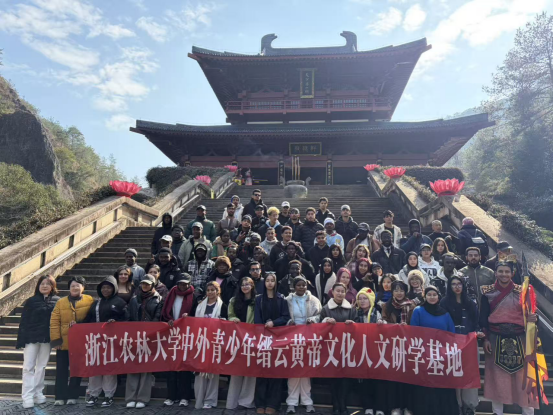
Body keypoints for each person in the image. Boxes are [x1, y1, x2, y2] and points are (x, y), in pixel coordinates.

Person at [480, 262, 539, 415]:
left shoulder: (523, 291)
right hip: (495, 338)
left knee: (523, 378)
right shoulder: (487, 292)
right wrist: (485, 339)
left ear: (512, 273)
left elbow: (530, 314)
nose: (504, 274)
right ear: (495, 273)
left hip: (520, 339)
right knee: (497, 378)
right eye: (501, 271)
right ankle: (497, 412)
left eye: (507, 271)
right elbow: (483, 318)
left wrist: (533, 318)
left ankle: (528, 411)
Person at [410, 286, 459, 415]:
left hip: (441, 356)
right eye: (429, 295)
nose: (432, 297)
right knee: (425, 386)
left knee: (441, 386)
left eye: (434, 295)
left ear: (438, 297)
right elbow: (413, 332)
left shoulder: (445, 313)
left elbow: (451, 333)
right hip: (423, 355)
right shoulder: (418, 311)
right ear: (425, 296)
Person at [83, 276, 128, 408]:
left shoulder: (120, 302)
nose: (105, 290)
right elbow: (88, 319)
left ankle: (109, 395)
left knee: (110, 368)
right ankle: (94, 394)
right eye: (103, 287)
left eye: (108, 287)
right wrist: (76, 326)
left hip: (112, 342)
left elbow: (127, 320)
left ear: (114, 288)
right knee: (95, 368)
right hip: (96, 341)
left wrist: (116, 323)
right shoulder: (96, 303)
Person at [441, 275, 483, 415]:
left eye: (459, 284)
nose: (457, 287)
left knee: (470, 374)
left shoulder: (470, 302)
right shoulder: (444, 302)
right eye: (453, 284)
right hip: (451, 344)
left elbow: (476, 321)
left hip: (469, 343)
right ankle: (456, 405)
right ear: (449, 286)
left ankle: (469, 406)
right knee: (454, 374)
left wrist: (478, 332)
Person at [17, 275, 60, 409]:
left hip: (47, 338)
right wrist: (21, 339)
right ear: (38, 286)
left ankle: (38, 393)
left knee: (41, 366)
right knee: (28, 367)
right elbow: (24, 321)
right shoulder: (31, 301)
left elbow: (59, 321)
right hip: (31, 337)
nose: (44, 286)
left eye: (48, 283)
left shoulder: (58, 301)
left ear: (52, 286)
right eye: (42, 283)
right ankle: (27, 396)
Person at [50, 276, 94, 406]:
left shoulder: (89, 300)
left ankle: (73, 395)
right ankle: (59, 396)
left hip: (81, 343)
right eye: (72, 286)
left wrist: (80, 324)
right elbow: (54, 321)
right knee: (61, 370)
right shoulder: (61, 302)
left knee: (77, 370)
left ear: (83, 287)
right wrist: (56, 340)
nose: (75, 288)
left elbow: (91, 318)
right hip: (63, 342)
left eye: (78, 285)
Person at [254, 273, 291, 415]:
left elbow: (286, 317)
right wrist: (261, 330)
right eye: (267, 280)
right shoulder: (259, 299)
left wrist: (274, 323)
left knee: (276, 371)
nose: (269, 283)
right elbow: (257, 319)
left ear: (276, 283)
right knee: (262, 371)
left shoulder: (281, 299)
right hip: (263, 338)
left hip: (278, 338)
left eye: (272, 281)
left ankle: (273, 403)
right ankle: (260, 403)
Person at [161, 273, 199, 407]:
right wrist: (168, 320)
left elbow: (197, 314)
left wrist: (189, 317)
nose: (183, 286)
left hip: (187, 335)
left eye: (185, 284)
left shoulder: (194, 296)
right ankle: (171, 396)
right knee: (171, 367)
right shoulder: (171, 294)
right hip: (171, 334)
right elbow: (165, 312)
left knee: (184, 367)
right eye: (180, 283)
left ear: (190, 284)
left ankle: (185, 396)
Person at [126, 274, 163, 409]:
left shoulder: (159, 299)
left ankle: (142, 397)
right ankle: (131, 397)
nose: (145, 286)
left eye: (148, 284)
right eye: (143, 284)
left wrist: (149, 332)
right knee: (133, 366)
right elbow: (129, 316)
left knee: (146, 369)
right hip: (134, 336)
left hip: (150, 337)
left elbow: (158, 317)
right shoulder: (134, 299)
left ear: (153, 285)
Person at [320, 283, 357, 415]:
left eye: (342, 291)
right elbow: (319, 325)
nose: (340, 293)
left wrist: (353, 324)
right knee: (333, 377)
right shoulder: (326, 308)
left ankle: (343, 403)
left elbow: (357, 325)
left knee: (345, 377)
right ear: (332, 292)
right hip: (331, 347)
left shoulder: (351, 309)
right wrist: (326, 321)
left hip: (347, 347)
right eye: (338, 291)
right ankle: (335, 404)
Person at [285, 277, 321, 414]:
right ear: (294, 287)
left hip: (308, 338)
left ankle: (307, 401)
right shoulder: (287, 300)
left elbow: (320, 315)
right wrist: (289, 322)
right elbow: (283, 315)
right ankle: (291, 402)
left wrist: (313, 320)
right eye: (298, 285)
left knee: (306, 370)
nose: (301, 287)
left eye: (304, 285)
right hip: (292, 338)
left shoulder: (314, 300)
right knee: (293, 370)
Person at [380, 280, 415, 415]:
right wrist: (392, 326)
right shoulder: (386, 306)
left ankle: (407, 407)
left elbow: (416, 324)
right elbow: (385, 321)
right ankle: (395, 407)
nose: (399, 293)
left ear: (405, 292)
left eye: (401, 290)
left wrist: (407, 328)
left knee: (407, 378)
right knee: (394, 378)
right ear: (392, 292)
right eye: (396, 290)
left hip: (408, 346)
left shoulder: (412, 306)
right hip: (392, 345)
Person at [194, 281, 228, 409]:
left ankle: (210, 400)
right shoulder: (199, 305)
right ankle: (199, 398)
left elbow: (226, 322)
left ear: (217, 291)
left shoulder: (222, 306)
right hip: (201, 341)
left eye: (213, 290)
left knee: (213, 372)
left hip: (215, 341)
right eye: (208, 290)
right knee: (200, 371)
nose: (210, 292)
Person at [227, 277, 257, 410]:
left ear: (252, 286)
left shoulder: (257, 300)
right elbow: (230, 315)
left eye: (248, 284)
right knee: (237, 369)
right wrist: (234, 319)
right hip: (237, 338)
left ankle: (246, 401)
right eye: (243, 284)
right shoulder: (234, 300)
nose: (245, 287)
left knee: (250, 370)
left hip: (252, 338)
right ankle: (233, 401)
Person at [354, 287, 386, 415]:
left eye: (365, 298)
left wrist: (382, 323)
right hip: (361, 350)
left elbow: (385, 328)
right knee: (364, 380)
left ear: (371, 300)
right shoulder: (355, 313)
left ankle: (380, 407)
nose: (362, 301)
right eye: (360, 299)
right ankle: (368, 407)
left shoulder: (377, 313)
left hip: (376, 350)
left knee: (378, 380)